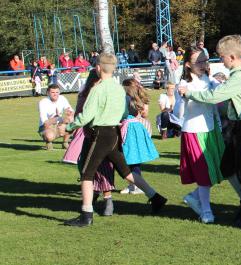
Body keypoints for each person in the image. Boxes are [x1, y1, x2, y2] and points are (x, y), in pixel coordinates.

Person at [62, 53, 167, 227]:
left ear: (97, 68)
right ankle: (156, 197)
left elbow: (86, 115)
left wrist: (68, 127)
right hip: (114, 133)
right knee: (125, 171)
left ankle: (86, 215)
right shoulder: (119, 89)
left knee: (87, 174)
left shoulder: (98, 89)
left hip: (99, 135)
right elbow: (124, 113)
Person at [179, 35, 241, 228]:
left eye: (221, 56)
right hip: (238, 126)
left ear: (232, 57)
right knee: (227, 168)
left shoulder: (239, 77)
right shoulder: (237, 75)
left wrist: (189, 93)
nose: (219, 60)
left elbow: (214, 96)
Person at [175, 50, 225, 224]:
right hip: (194, 132)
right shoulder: (183, 83)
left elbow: (219, 92)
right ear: (188, 64)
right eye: (199, 62)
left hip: (211, 131)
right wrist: (183, 96)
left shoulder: (208, 79)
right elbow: (180, 111)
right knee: (204, 174)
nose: (204, 65)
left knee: (214, 171)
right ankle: (206, 211)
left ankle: (193, 197)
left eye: (205, 61)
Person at [62, 69, 116, 214]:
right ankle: (106, 202)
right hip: (108, 133)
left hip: (92, 135)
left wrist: (69, 127)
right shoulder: (106, 92)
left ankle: (93, 204)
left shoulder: (86, 94)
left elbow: (80, 115)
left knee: (87, 169)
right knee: (104, 167)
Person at [119, 79, 160, 202]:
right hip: (134, 128)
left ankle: (137, 185)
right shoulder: (134, 98)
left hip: (131, 129)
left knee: (132, 159)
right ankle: (133, 185)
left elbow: (125, 115)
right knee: (131, 159)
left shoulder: (128, 99)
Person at [38, 84, 73, 150]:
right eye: (53, 92)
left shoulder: (62, 98)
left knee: (72, 120)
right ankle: (48, 142)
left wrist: (69, 114)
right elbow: (45, 123)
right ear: (48, 93)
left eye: (57, 92)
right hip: (45, 127)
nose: (55, 94)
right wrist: (59, 119)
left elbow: (71, 111)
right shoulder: (43, 102)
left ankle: (65, 142)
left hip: (58, 124)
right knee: (50, 136)